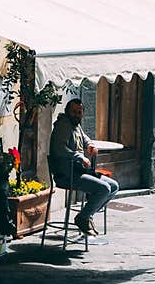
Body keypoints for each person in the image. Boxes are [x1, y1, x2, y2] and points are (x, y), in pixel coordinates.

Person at [49, 98, 119, 236]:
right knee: (103, 188)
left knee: (114, 186)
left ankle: (87, 215)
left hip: (79, 171)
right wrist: (80, 157)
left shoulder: (75, 125)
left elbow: (84, 137)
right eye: (74, 111)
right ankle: (83, 218)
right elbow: (59, 149)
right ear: (67, 112)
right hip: (67, 174)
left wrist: (90, 145)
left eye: (79, 112)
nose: (76, 114)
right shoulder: (63, 125)